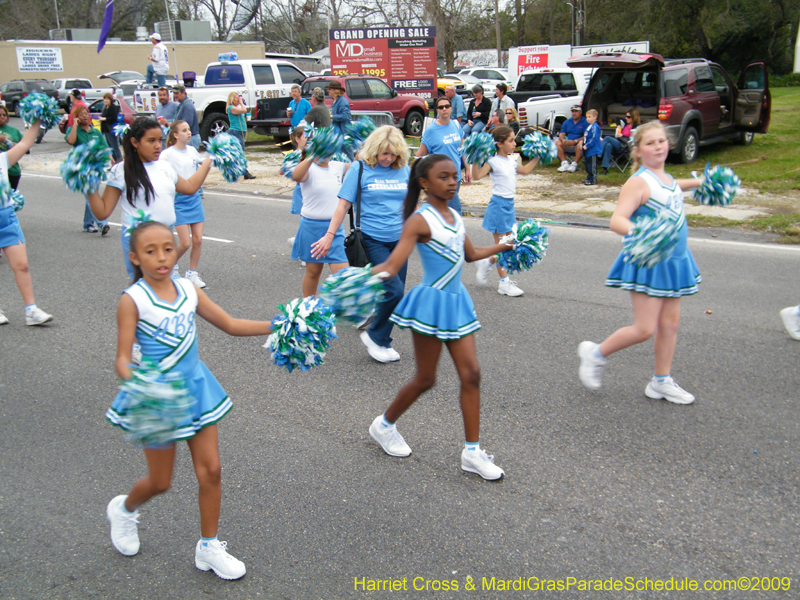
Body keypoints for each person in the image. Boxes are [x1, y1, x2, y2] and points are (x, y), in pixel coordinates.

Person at [105, 220, 272, 580]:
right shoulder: (131, 300)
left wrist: (280, 324)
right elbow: (121, 358)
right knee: (161, 482)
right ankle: (125, 509)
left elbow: (229, 323)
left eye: (168, 248)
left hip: (195, 390)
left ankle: (208, 546)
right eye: (151, 251)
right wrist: (139, 383)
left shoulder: (187, 289)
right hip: (158, 397)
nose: (162, 257)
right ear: (135, 257)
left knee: (211, 470)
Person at [367, 154, 512, 480]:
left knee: (471, 374)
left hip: (456, 301)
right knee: (426, 379)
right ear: (424, 183)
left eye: (454, 176)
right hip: (431, 304)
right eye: (443, 177)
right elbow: (392, 266)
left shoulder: (456, 216)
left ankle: (472, 453)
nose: (452, 181)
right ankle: (384, 424)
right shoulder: (419, 220)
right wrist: (355, 280)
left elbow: (471, 255)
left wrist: (504, 246)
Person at [577, 121, 703, 405]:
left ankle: (661, 382)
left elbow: (673, 188)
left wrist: (700, 183)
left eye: (662, 141)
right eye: (650, 143)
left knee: (670, 324)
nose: (658, 146)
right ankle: (595, 353)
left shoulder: (666, 178)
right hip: (650, 260)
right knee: (645, 328)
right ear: (638, 151)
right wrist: (644, 234)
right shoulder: (637, 182)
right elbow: (617, 220)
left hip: (674, 260)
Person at [310, 126, 411, 363]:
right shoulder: (360, 168)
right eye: (384, 153)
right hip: (372, 239)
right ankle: (374, 334)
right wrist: (328, 235)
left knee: (396, 294)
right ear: (374, 149)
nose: (388, 158)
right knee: (394, 290)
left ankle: (382, 341)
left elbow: (411, 203)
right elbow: (343, 206)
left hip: (401, 239)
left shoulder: (403, 169)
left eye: (394, 154)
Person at [86, 116, 211, 280]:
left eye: (159, 139)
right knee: (147, 293)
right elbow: (102, 212)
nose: (158, 145)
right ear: (135, 142)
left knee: (168, 294)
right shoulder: (122, 170)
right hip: (140, 241)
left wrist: (210, 159)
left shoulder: (165, 167)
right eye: (151, 140)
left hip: (165, 239)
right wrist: (88, 184)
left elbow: (189, 187)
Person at [472, 126, 540, 297]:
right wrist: (474, 157)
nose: (514, 143)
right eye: (510, 140)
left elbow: (525, 170)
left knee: (510, 245)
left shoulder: (512, 161)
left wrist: (538, 155)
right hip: (498, 206)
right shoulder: (492, 162)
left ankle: (486, 262)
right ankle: (504, 283)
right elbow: (477, 176)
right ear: (499, 144)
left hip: (509, 206)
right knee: (504, 246)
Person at [0, 118, 53, 326]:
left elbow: (24, 144)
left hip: (7, 217)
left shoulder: (3, 159)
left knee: (21, 265)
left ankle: (31, 310)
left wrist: (38, 119)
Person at [290, 148, 350, 297]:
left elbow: (360, 165)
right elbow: (296, 176)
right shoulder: (308, 168)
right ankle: (308, 307)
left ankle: (348, 312)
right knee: (313, 272)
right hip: (311, 228)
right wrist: (312, 156)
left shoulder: (337, 166)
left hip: (334, 228)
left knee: (344, 274)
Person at [160, 120, 208, 288]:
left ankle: (192, 273)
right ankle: (172, 267)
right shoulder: (167, 154)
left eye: (189, 129)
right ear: (175, 134)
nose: (189, 133)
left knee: (198, 240)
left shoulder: (193, 151)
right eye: (184, 130)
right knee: (185, 242)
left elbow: (201, 168)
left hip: (194, 198)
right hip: (178, 200)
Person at [416, 96, 470, 214]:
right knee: (456, 211)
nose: (444, 109)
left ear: (451, 108)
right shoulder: (431, 131)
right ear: (437, 111)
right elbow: (420, 155)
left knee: (445, 211)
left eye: (447, 106)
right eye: (441, 107)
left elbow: (462, 149)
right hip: (442, 178)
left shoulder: (455, 124)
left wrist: (468, 169)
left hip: (456, 176)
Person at [66, 104, 111, 236]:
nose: (85, 116)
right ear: (76, 118)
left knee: (93, 195)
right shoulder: (73, 130)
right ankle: (102, 223)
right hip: (81, 168)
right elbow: (71, 140)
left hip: (95, 168)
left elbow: (104, 147)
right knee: (91, 195)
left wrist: (111, 159)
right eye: (81, 114)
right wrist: (74, 125)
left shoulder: (95, 132)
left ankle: (87, 224)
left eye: (86, 113)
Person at [600, 108, 640, 175]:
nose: (626, 118)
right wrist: (618, 125)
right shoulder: (626, 124)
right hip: (619, 144)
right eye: (626, 116)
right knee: (608, 145)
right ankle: (605, 168)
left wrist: (621, 136)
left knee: (607, 138)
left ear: (633, 117)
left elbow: (631, 141)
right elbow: (617, 119)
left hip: (625, 145)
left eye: (628, 117)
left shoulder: (635, 127)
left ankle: (598, 154)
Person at [225, 92, 255, 180]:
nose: (238, 99)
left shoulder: (236, 107)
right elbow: (244, 110)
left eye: (238, 98)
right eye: (236, 98)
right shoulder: (231, 108)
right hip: (235, 132)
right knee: (240, 152)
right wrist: (242, 102)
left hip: (240, 131)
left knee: (236, 153)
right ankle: (245, 172)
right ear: (232, 99)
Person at [286, 126, 306, 246]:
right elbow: (283, 171)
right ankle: (302, 246)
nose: (308, 139)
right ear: (297, 139)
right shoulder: (294, 155)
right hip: (301, 191)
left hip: (311, 190)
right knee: (305, 219)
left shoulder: (312, 154)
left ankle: (297, 241)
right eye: (305, 136)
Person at [556, 105, 588, 172]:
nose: (574, 113)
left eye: (576, 111)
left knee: (581, 143)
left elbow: (586, 135)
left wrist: (575, 141)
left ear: (580, 112)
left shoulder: (585, 122)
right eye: (572, 111)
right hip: (567, 143)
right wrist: (563, 139)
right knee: (556, 142)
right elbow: (561, 134)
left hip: (578, 145)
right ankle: (564, 163)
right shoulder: (567, 122)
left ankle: (574, 164)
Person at [0, 105, 23, 189]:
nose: (2, 117)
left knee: (11, 199)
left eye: (4, 115)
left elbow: (26, 148)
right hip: (1, 172)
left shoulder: (14, 131)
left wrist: (14, 146)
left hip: (13, 171)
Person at [327, 80, 352, 159]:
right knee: (339, 154)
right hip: (337, 133)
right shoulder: (334, 101)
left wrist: (332, 117)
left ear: (335, 90)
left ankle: (355, 167)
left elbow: (346, 116)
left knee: (348, 153)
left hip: (344, 132)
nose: (328, 91)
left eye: (330, 89)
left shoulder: (343, 101)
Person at [173, 85, 201, 150]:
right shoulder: (183, 104)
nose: (175, 95)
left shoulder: (188, 106)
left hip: (191, 138)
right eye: (174, 93)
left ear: (184, 93)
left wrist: (174, 127)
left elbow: (187, 124)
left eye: (177, 93)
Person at [98, 92, 122, 163]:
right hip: (105, 130)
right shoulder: (104, 107)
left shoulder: (112, 107)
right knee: (110, 148)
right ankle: (114, 163)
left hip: (111, 130)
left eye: (107, 99)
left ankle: (120, 162)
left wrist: (104, 119)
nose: (105, 100)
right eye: (104, 99)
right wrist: (101, 119)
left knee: (115, 147)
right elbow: (104, 116)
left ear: (110, 99)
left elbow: (113, 118)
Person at [581, 109, 602, 186]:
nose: (588, 119)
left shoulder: (595, 127)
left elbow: (594, 138)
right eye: (587, 117)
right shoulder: (589, 126)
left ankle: (593, 179)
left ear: (595, 117)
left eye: (589, 117)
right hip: (587, 150)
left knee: (592, 165)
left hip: (593, 149)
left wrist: (587, 145)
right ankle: (588, 177)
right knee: (587, 164)